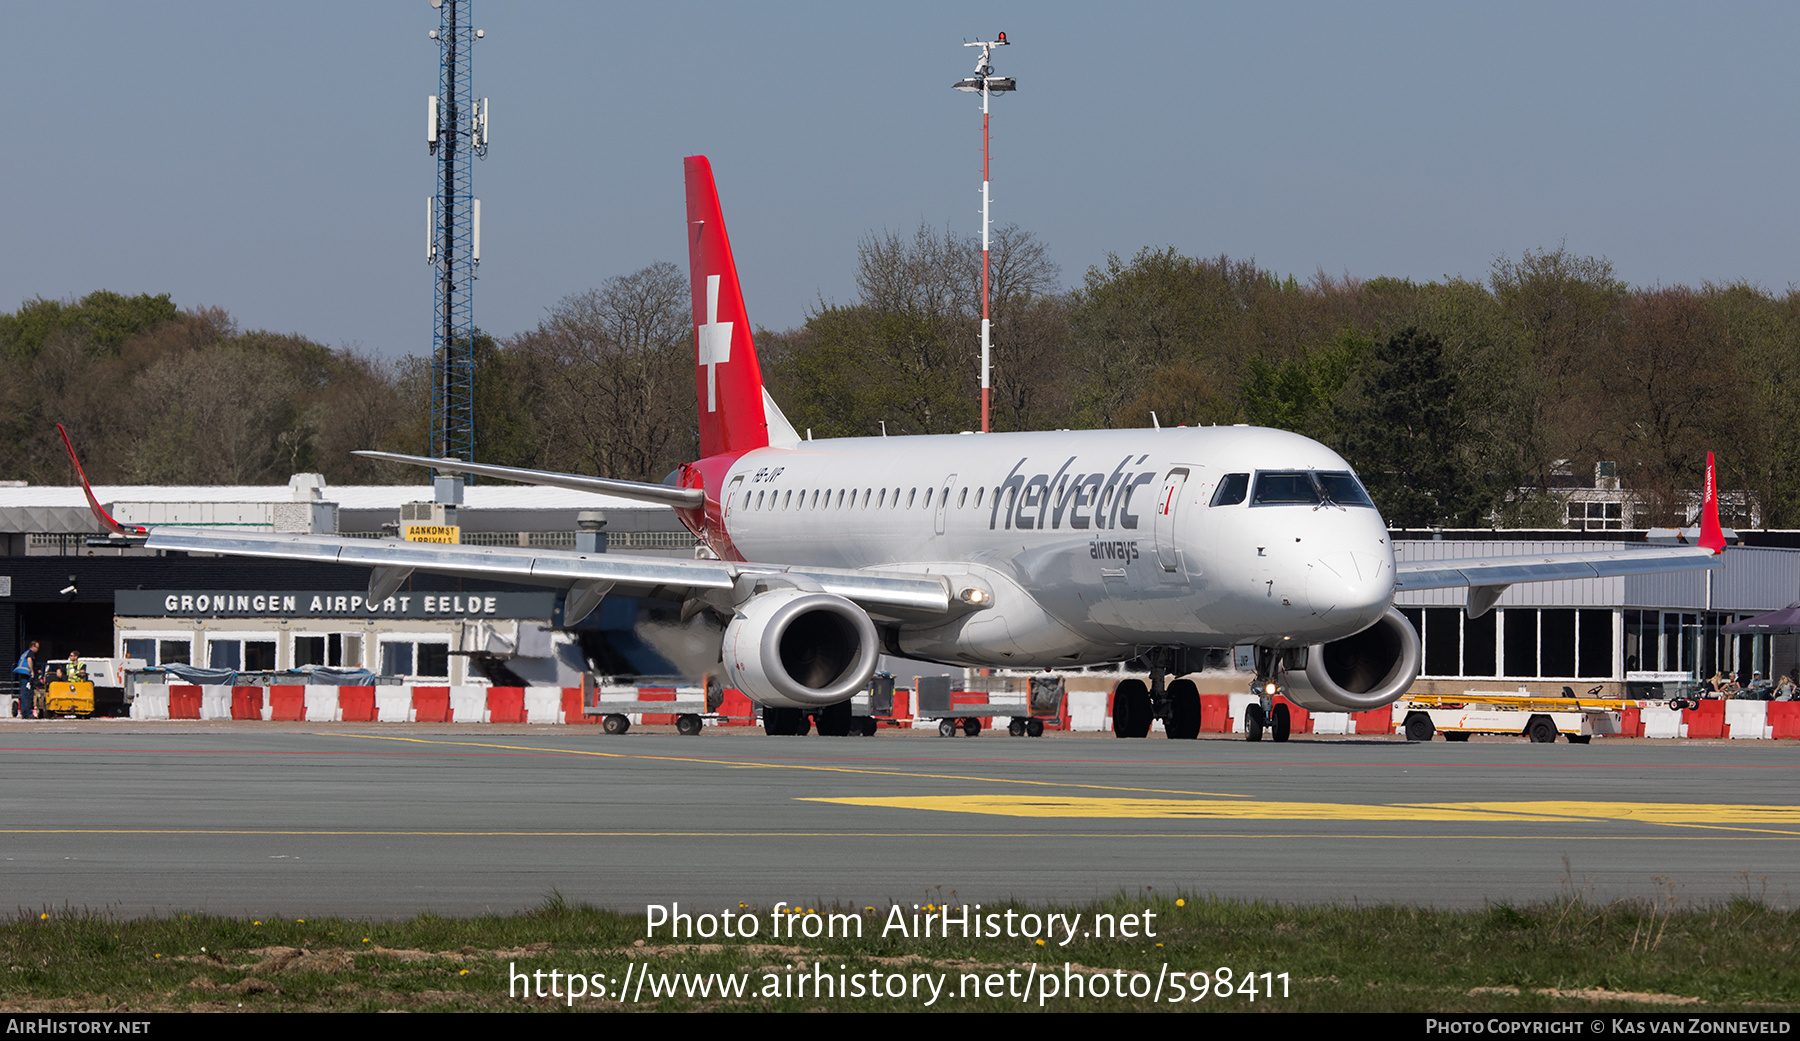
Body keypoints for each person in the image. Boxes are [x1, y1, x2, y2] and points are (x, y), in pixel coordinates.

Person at [11, 641, 37, 719]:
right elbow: (29, 660)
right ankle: (27, 713)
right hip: (26, 674)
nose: (37, 649)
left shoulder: (24, 653)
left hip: (22, 674)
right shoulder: (30, 653)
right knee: (27, 693)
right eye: (37, 647)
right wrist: (32, 672)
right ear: (32, 646)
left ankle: (24, 712)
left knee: (24, 693)